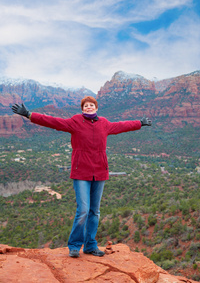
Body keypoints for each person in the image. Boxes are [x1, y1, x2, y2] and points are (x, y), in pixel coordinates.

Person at [12, 96, 152, 258]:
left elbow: (121, 126)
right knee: (83, 210)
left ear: (96, 108)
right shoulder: (75, 122)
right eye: (86, 106)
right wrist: (29, 114)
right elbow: (52, 121)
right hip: (81, 173)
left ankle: (90, 246)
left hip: (100, 172)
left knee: (95, 211)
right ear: (82, 108)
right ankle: (74, 245)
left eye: (91, 105)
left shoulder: (104, 123)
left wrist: (139, 123)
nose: (89, 107)